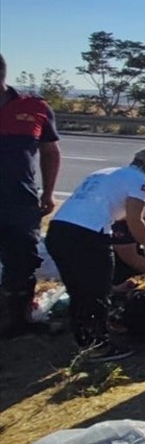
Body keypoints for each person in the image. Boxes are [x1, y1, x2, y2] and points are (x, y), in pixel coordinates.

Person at [46, 147, 145, 361]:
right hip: (88, 235)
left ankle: (84, 340)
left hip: (59, 230)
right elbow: (135, 220)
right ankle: (99, 345)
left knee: (78, 290)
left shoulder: (106, 173)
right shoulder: (140, 181)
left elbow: (117, 211)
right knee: (96, 290)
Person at [0, 53, 62, 338]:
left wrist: (48, 193)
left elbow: (50, 151)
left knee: (23, 260)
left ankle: (18, 321)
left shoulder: (34, 107)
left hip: (19, 201)